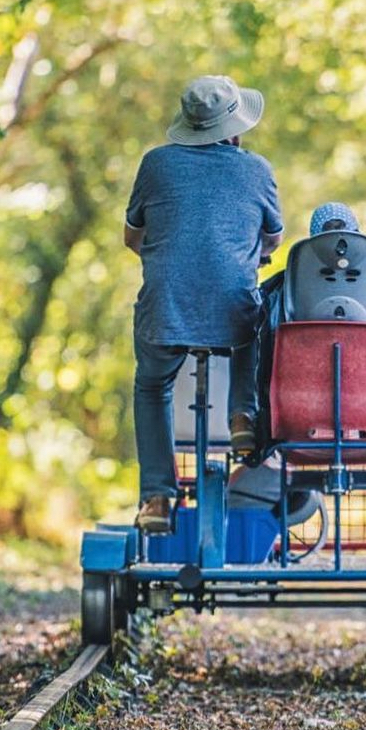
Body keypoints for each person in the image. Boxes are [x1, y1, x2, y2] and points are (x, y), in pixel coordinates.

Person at [125, 75, 283, 533]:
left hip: (165, 309)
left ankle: (156, 496)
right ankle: (242, 416)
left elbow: (132, 236)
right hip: (231, 312)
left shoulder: (155, 164)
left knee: (152, 388)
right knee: (252, 318)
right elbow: (272, 237)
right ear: (235, 128)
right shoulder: (257, 169)